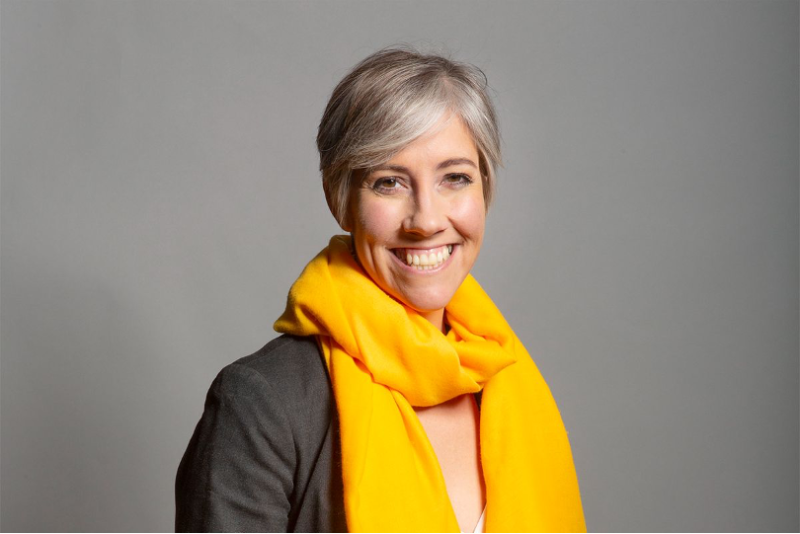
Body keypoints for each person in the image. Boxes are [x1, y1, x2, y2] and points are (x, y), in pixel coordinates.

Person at [176, 47, 586, 533]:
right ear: (341, 199)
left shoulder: (504, 380)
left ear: (485, 191)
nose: (427, 220)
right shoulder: (264, 402)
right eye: (389, 182)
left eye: (455, 178)